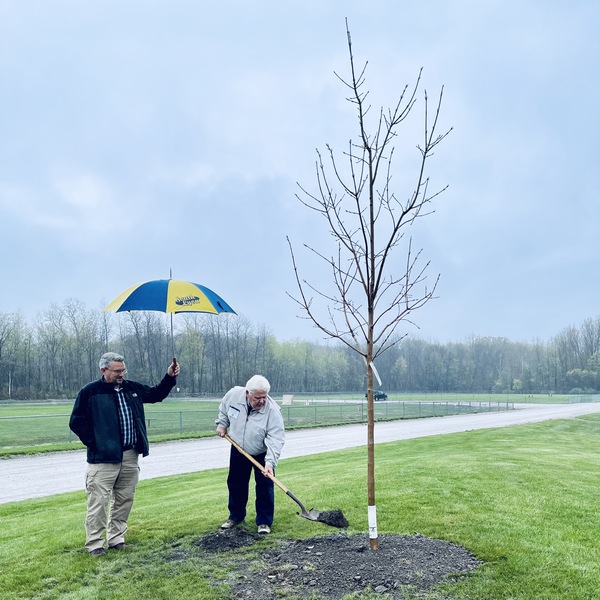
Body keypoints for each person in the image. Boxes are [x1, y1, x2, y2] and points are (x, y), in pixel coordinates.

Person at [69, 352, 180, 556]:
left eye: (123, 370)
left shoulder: (132, 388)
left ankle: (116, 539)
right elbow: (76, 422)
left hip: (130, 456)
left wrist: (169, 377)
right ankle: (94, 544)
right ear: (104, 370)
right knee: (98, 503)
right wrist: (97, 443)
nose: (121, 374)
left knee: (124, 499)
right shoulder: (90, 392)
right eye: (117, 371)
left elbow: (156, 395)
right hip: (103, 459)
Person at [215, 374, 285, 534]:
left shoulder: (272, 411)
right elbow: (224, 409)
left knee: (265, 487)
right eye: (257, 397)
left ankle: (264, 522)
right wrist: (222, 424)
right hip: (238, 448)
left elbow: (276, 438)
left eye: (264, 397)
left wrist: (270, 463)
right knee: (235, 484)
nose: (261, 401)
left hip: (262, 452)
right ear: (247, 393)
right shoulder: (233, 395)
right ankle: (236, 516)